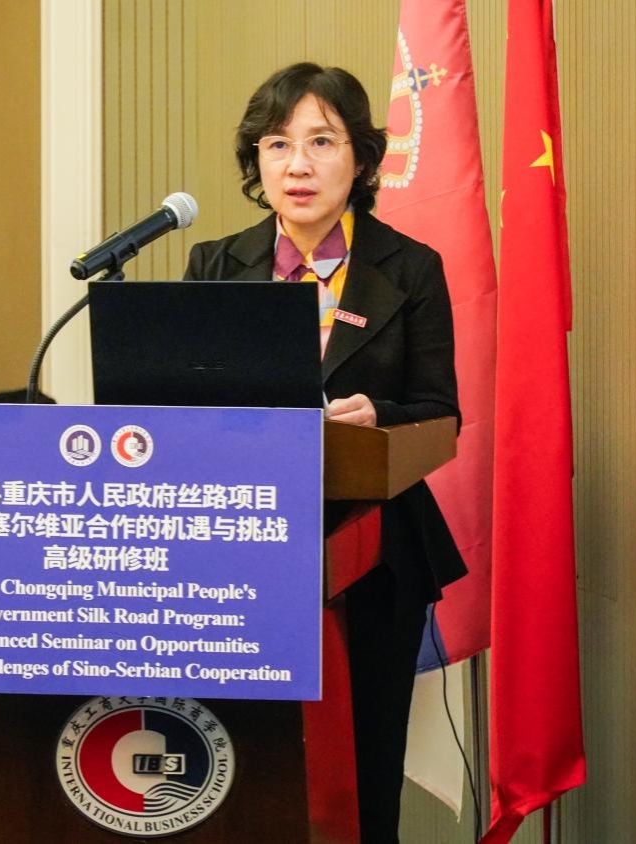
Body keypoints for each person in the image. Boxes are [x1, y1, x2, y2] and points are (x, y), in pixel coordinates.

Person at [183, 62, 466, 843]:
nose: (297, 165)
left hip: (376, 552)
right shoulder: (216, 265)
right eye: (278, 144)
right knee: (247, 766)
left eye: (321, 142)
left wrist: (379, 415)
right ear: (257, 161)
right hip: (241, 549)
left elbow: (440, 413)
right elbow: (185, 407)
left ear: (362, 159)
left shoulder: (410, 268)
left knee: (366, 764)